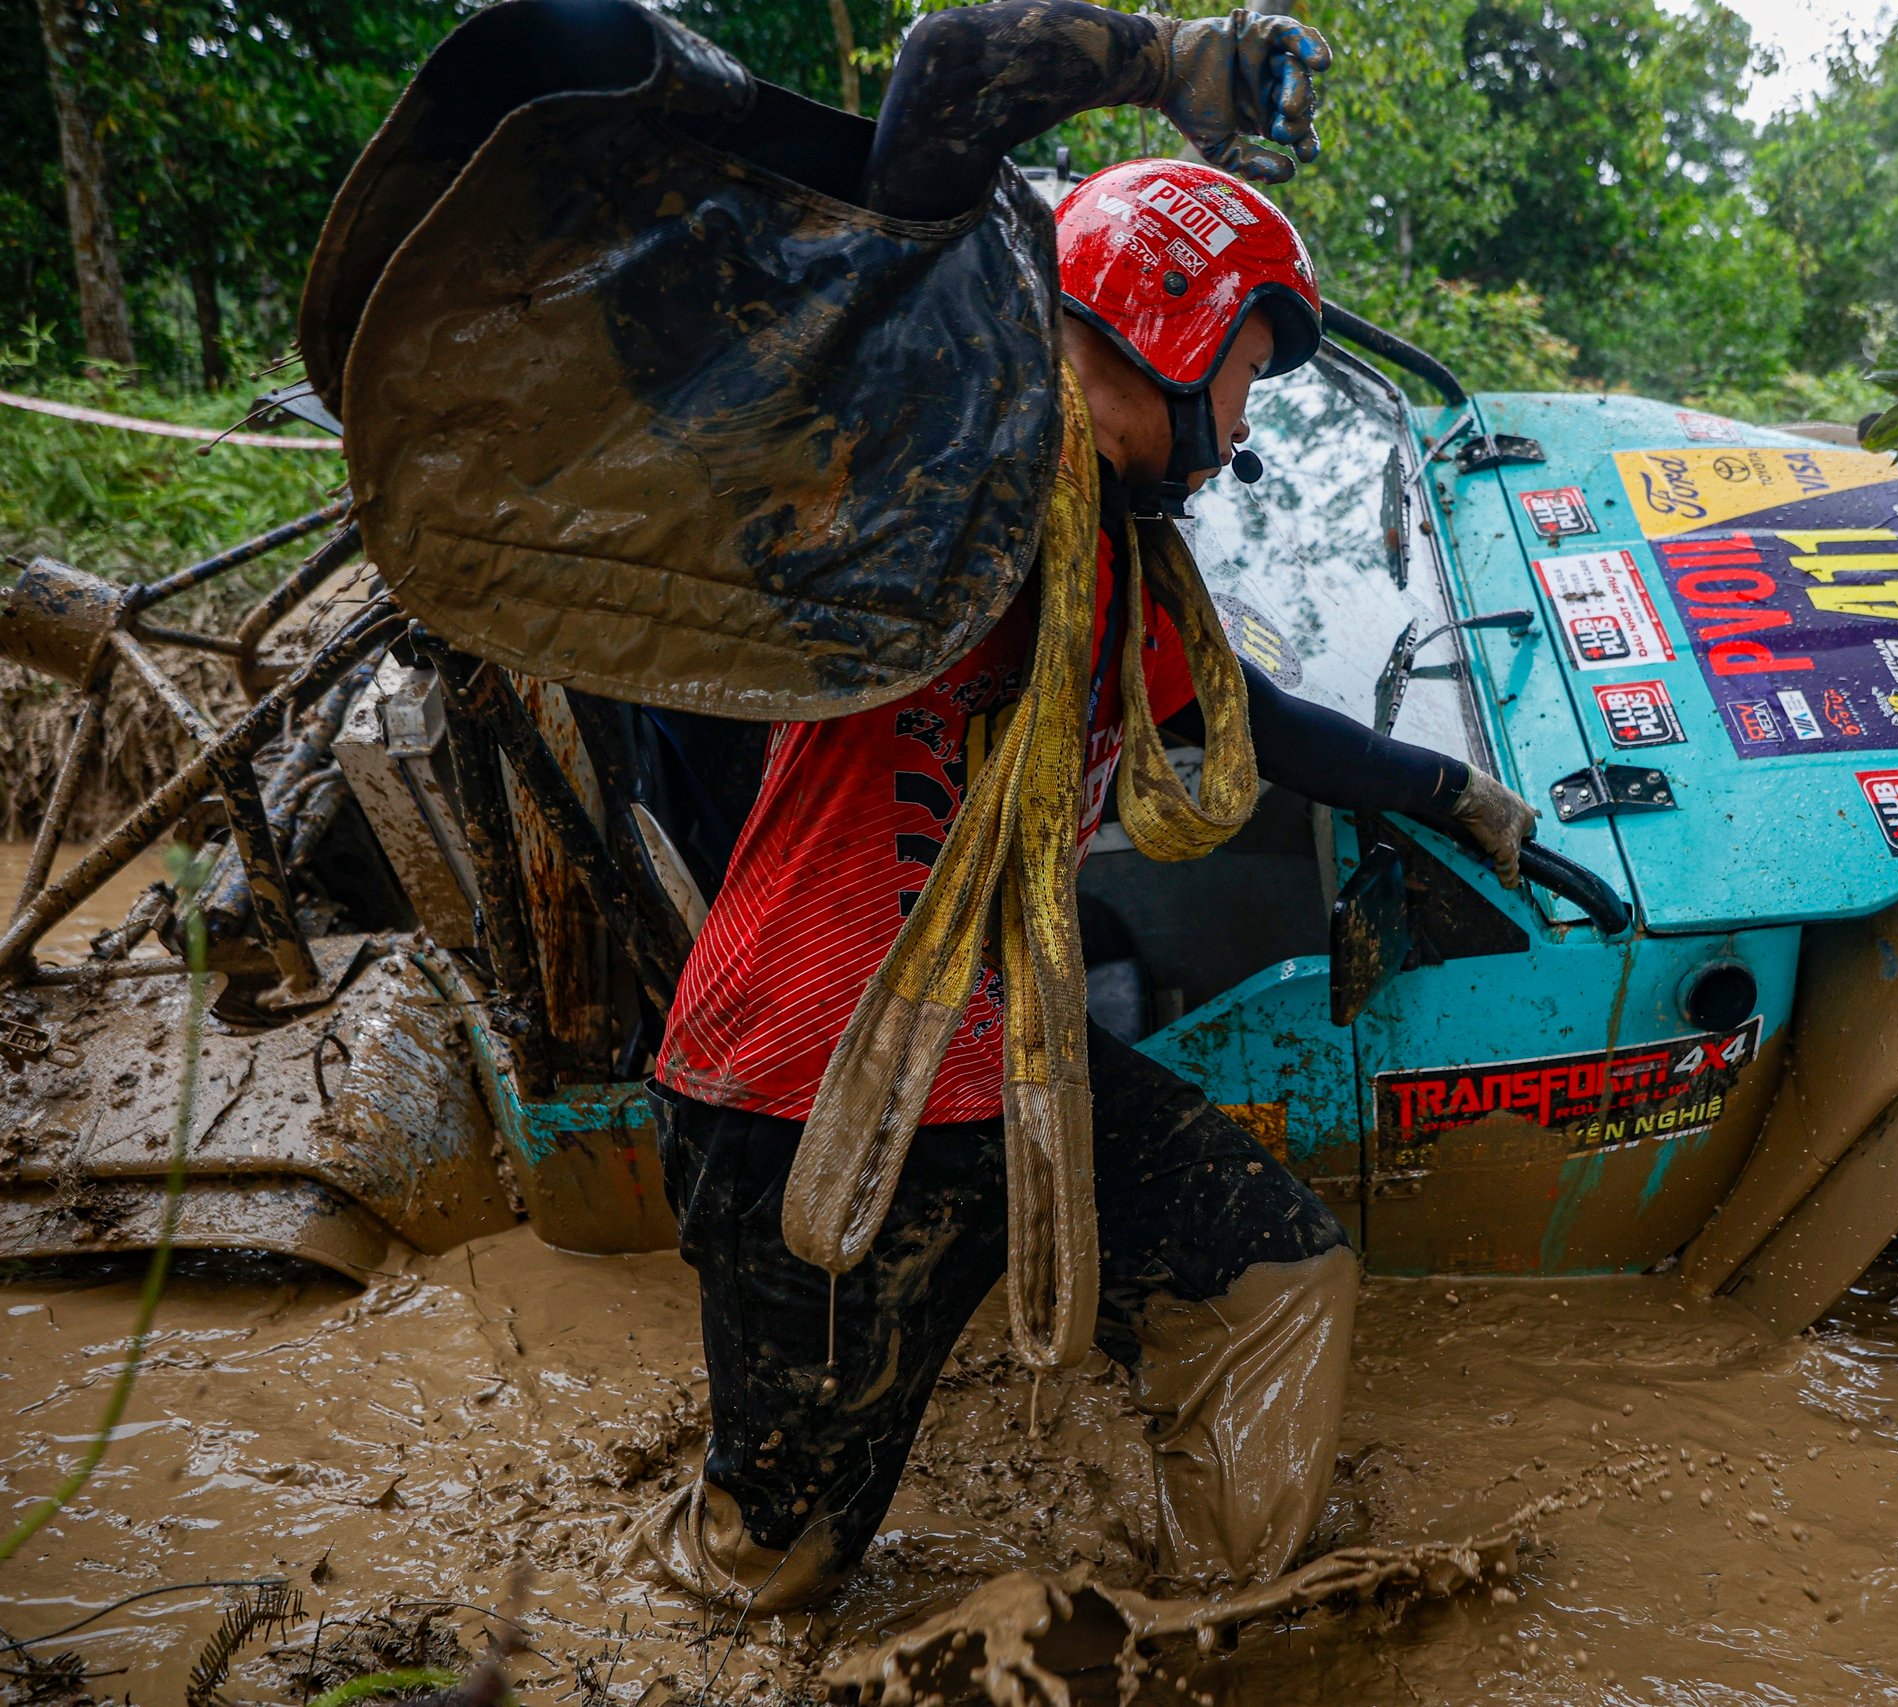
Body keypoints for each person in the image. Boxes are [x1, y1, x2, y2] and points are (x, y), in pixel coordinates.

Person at [626, 3, 1539, 1614]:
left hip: (1012, 1073)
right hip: (806, 1104)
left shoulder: (1117, 576)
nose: (1243, 435)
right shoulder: (927, 450)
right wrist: (1168, 61)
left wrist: (1449, 790)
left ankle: (1206, 1619)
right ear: (1165, 335)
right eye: (1244, 380)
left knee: (1277, 1275)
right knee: (767, 1574)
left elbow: (1241, 723)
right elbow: (934, 80)